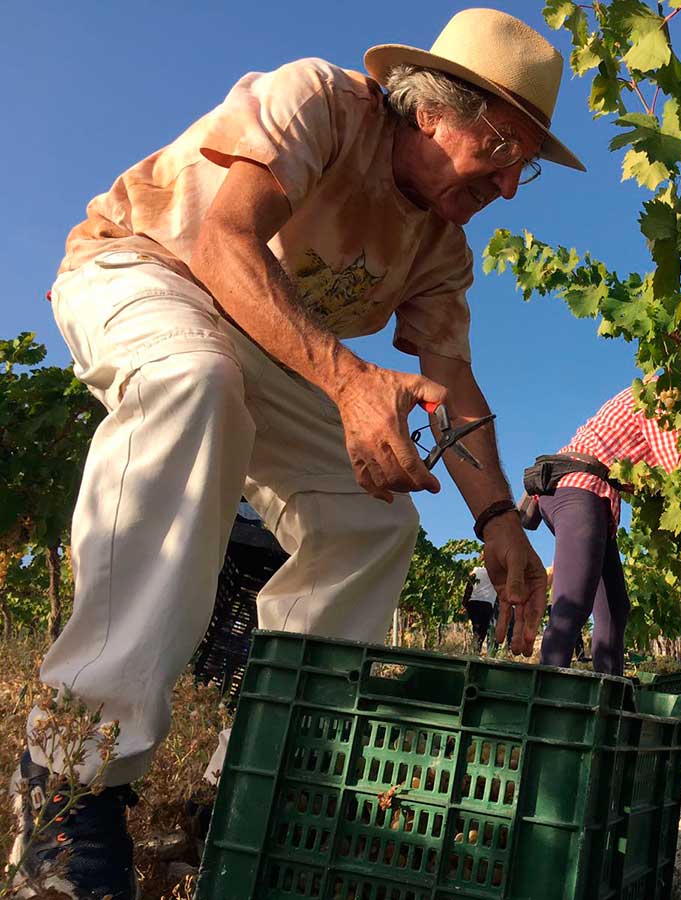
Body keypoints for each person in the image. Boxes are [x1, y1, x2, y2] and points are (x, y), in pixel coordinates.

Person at [11, 10, 581, 898]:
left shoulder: (441, 244)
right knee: (193, 383)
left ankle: (250, 781)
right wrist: (351, 383)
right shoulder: (318, 99)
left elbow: (454, 387)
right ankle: (73, 774)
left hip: (272, 343)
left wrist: (500, 519)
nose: (511, 184)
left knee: (375, 519)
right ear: (432, 110)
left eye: (527, 165)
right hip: (148, 270)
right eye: (501, 145)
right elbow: (223, 240)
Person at [529, 386, 680, 676]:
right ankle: (543, 702)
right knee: (573, 600)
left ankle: (608, 700)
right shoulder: (661, 396)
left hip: (588, 497)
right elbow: (677, 467)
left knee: (614, 608)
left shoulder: (656, 394)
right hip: (578, 488)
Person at [462, 565, 498, 652]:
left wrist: (464, 604)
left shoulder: (475, 570)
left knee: (475, 629)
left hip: (473, 603)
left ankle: (472, 650)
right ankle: (476, 651)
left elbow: (469, 587)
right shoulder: (497, 573)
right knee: (482, 631)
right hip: (487, 604)